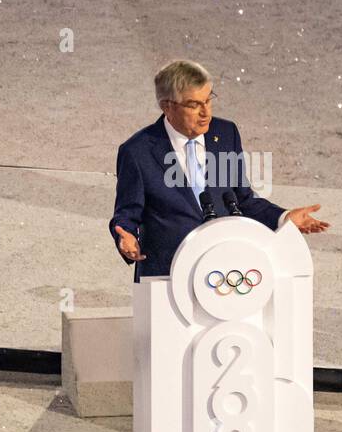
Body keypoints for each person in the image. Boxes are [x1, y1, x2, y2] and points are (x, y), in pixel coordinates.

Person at [110, 60, 328, 280]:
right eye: (194, 105)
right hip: (166, 276)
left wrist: (283, 217)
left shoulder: (225, 134)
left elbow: (243, 199)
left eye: (208, 100)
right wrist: (125, 236)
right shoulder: (137, 151)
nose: (206, 112)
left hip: (223, 272)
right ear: (168, 106)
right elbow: (127, 213)